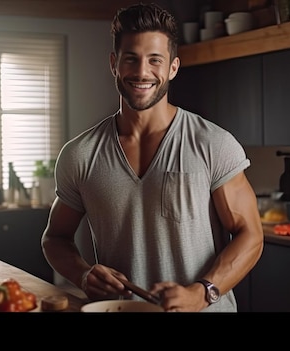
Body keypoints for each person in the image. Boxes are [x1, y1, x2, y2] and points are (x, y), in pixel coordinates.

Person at [41, 3, 264, 312]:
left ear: (173, 67)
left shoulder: (213, 144)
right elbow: (55, 237)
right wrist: (83, 273)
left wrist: (201, 293)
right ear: (114, 64)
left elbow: (250, 235)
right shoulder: (80, 154)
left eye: (154, 60)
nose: (142, 72)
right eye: (130, 59)